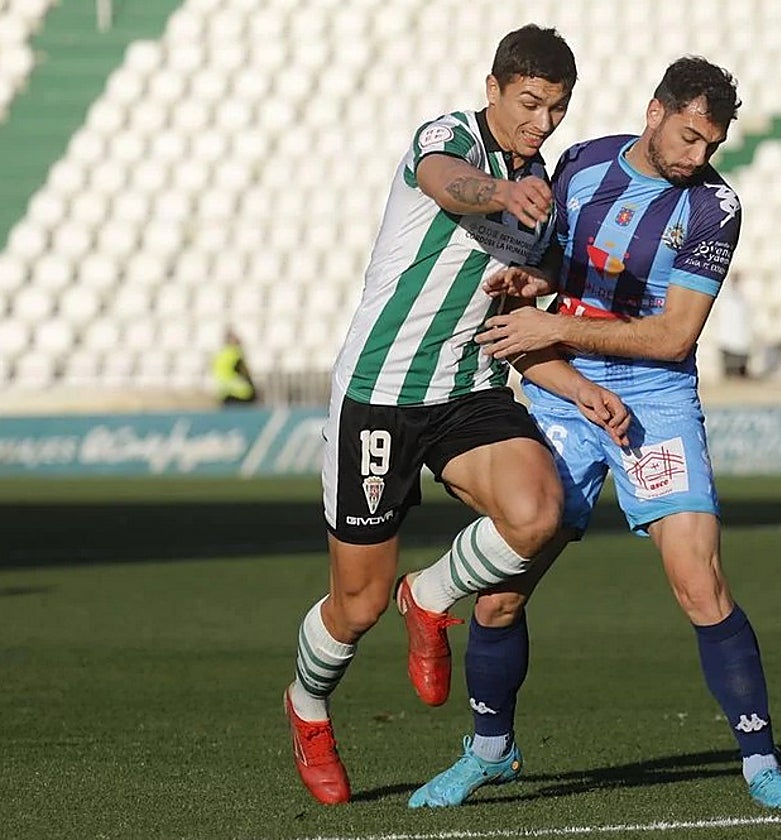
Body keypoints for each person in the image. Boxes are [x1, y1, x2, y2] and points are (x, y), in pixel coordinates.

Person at [400, 56, 781, 813]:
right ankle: (491, 753)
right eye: (689, 137)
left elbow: (672, 336)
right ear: (656, 112)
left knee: (700, 582)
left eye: (711, 145)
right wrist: (531, 284)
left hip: (654, 402)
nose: (699, 158)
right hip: (564, 396)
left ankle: (761, 764)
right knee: (499, 595)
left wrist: (551, 319)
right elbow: (558, 264)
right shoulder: (583, 161)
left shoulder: (715, 208)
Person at [283, 24, 632, 807]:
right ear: (494, 89)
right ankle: (307, 708)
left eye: (557, 109)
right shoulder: (451, 138)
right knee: (357, 603)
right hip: (380, 393)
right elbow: (443, 180)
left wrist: (577, 385)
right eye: (530, 103)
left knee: (539, 511)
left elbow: (515, 324)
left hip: (470, 391)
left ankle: (432, 597)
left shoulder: (543, 198)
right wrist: (502, 191)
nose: (541, 122)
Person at [717, 271, 753, 378]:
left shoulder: (742, 294)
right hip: (728, 330)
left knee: (740, 349)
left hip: (739, 329)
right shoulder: (726, 293)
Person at [212, 329, 257, 406]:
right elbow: (245, 371)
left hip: (223, 391)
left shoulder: (218, 354)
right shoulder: (236, 353)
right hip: (239, 391)